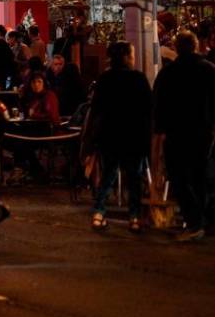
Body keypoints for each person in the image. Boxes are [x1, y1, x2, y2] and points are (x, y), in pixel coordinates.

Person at [153, 31, 215, 241]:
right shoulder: (208, 70)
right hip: (203, 131)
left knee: (179, 177)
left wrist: (159, 130)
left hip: (176, 132)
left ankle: (195, 221)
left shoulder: (169, 73)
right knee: (200, 176)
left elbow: (159, 104)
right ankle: (202, 221)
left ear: (177, 48)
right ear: (196, 46)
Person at [88, 41, 152, 232]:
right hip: (134, 136)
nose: (133, 58)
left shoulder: (105, 79)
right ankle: (134, 217)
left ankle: (99, 213)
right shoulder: (139, 79)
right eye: (131, 54)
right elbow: (148, 108)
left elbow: (96, 109)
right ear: (126, 57)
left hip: (110, 135)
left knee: (108, 175)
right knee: (134, 178)